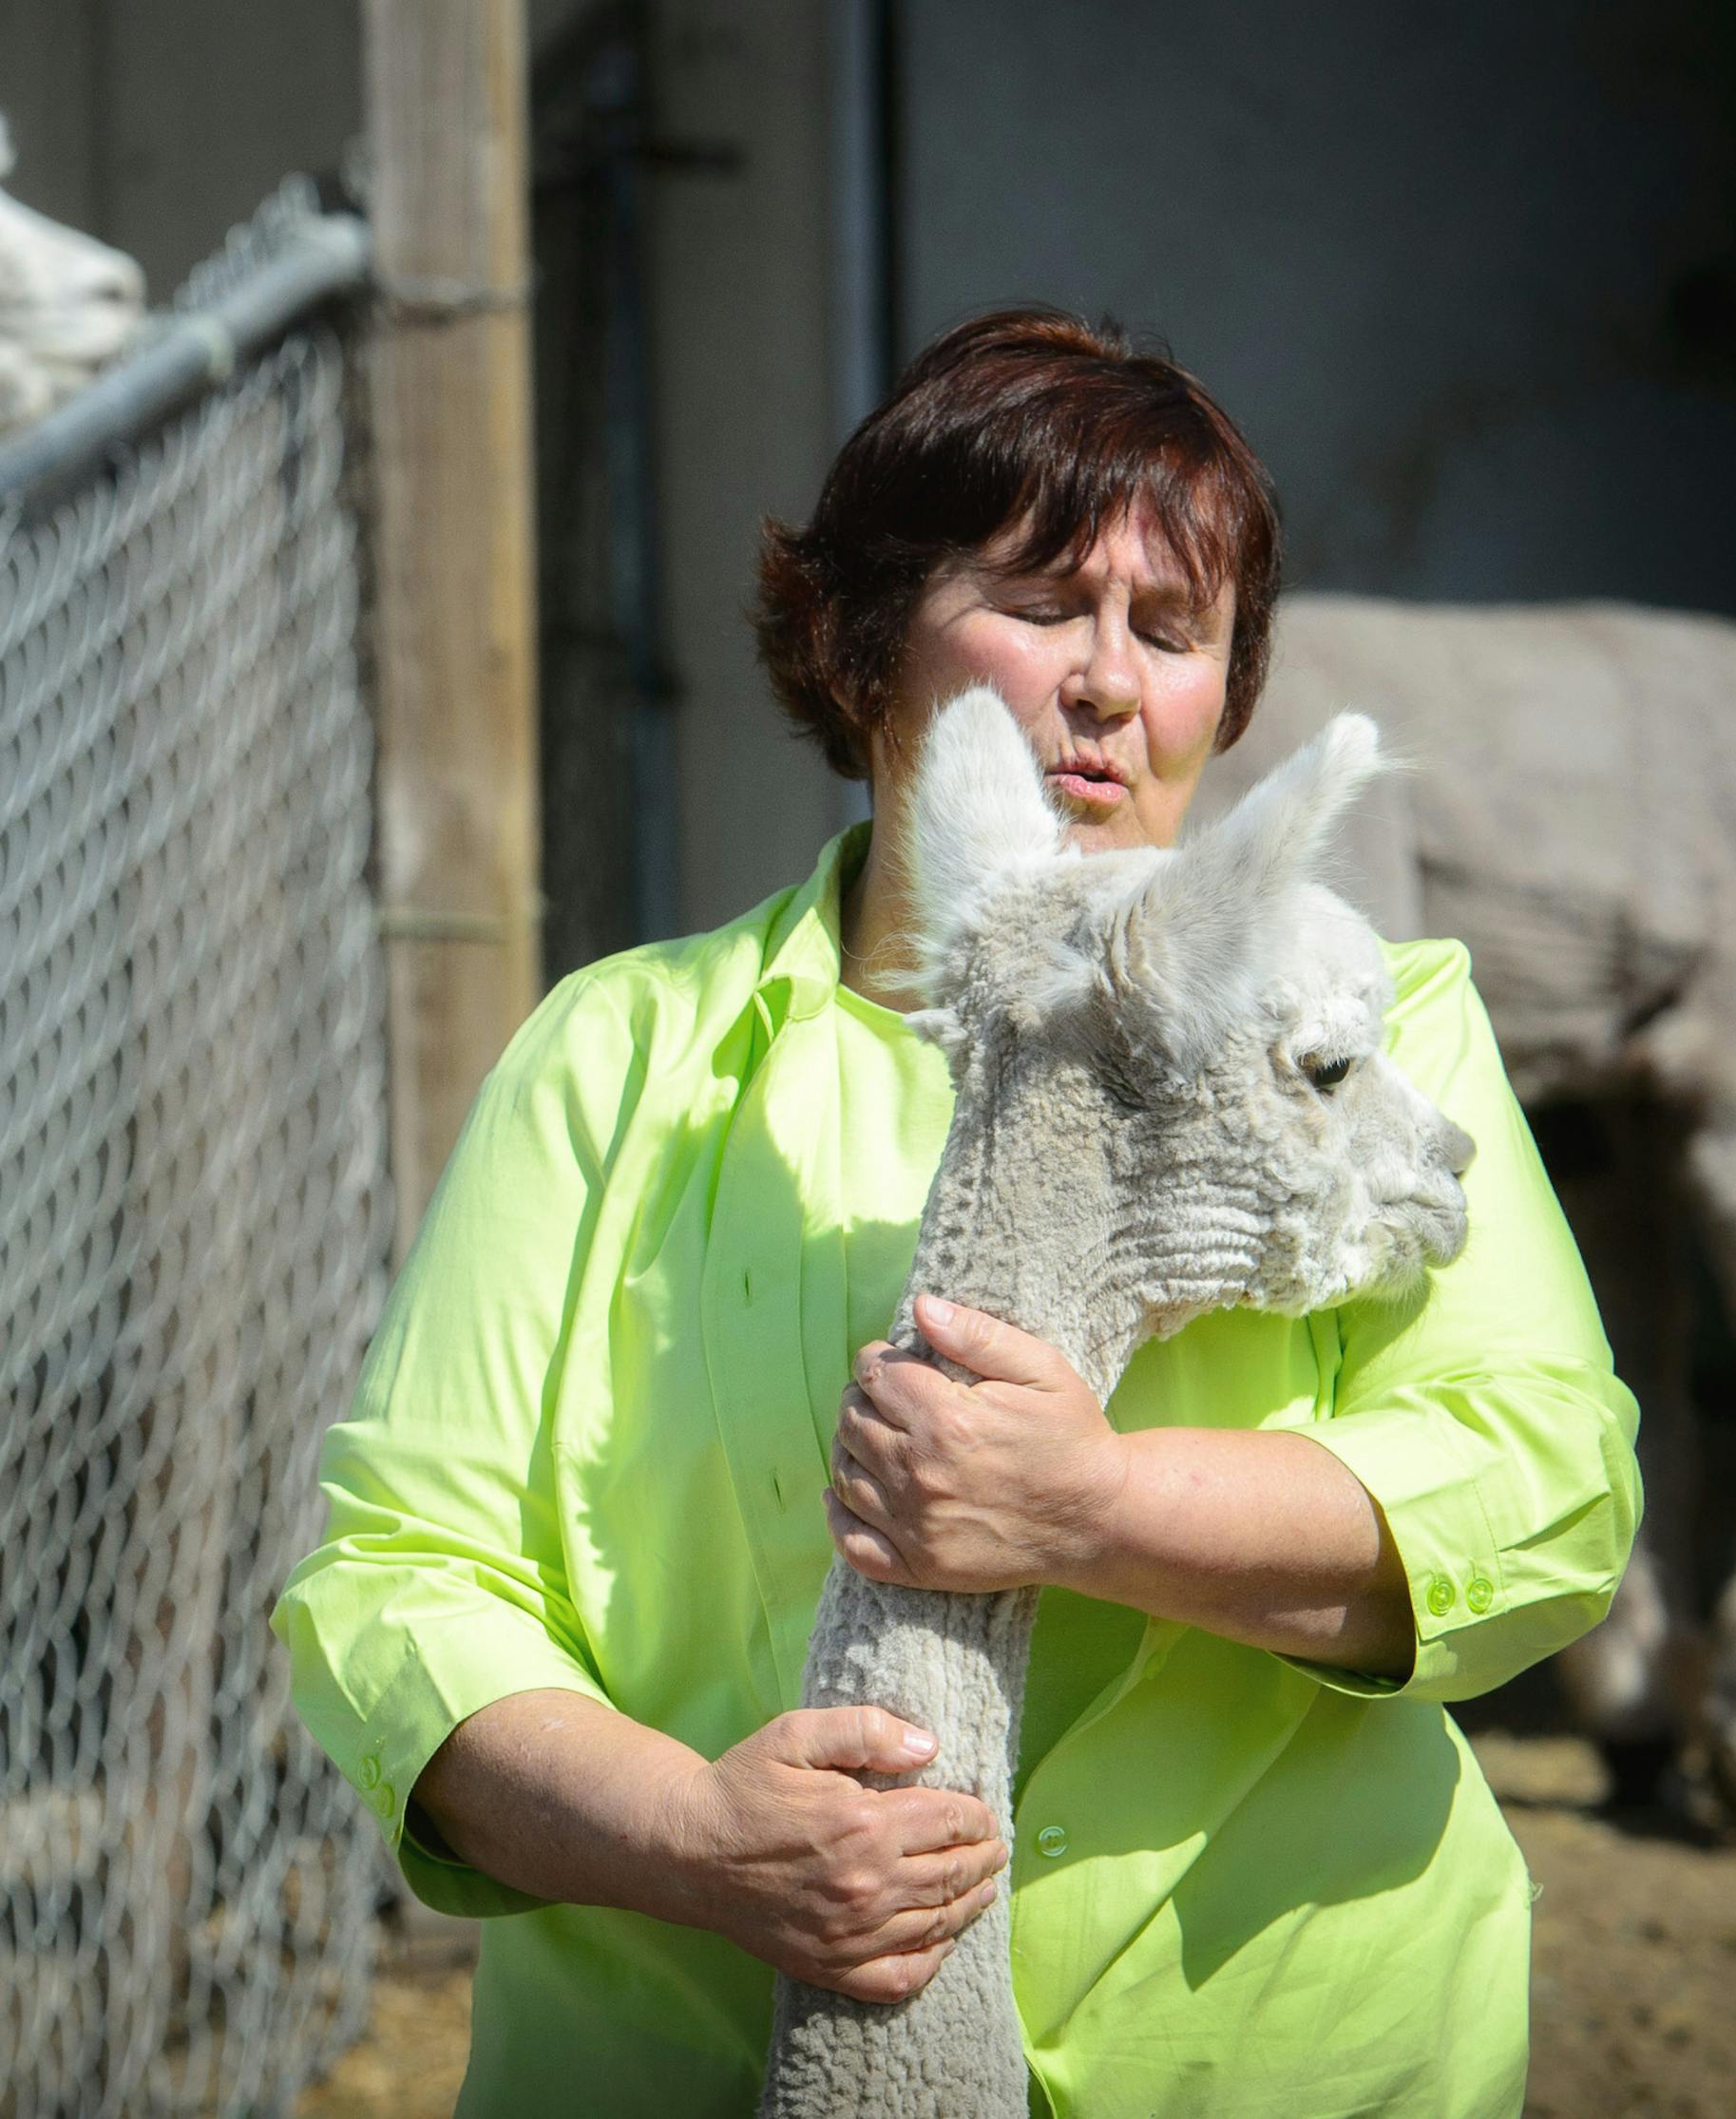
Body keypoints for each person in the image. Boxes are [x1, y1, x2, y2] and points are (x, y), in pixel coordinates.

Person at [275, 309, 1641, 2118]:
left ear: (1224, 704)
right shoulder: (620, 1062)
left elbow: (1549, 1477)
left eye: (1172, 634)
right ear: (857, 646)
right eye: (1040, 604)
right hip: (689, 2054)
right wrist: (696, 1837)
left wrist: (1093, 1507)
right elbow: (403, 1578)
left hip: (1280, 2054)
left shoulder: (1368, 1025)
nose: (1105, 682)